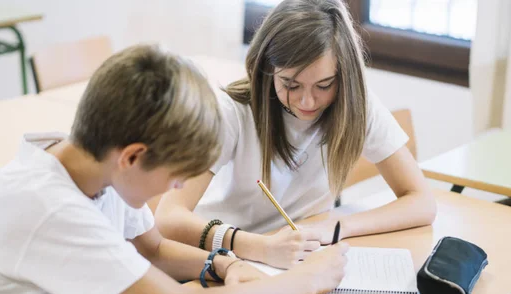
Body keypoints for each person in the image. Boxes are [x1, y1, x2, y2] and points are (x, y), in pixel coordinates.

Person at [0, 45, 348, 294]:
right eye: (175, 174)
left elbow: (153, 248)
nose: (177, 185)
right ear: (132, 157)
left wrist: (227, 264)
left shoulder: (95, 164)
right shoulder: (51, 206)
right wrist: (308, 278)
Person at [155, 0, 436, 269]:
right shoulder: (232, 113)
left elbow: (421, 201)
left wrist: (338, 226)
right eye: (291, 84)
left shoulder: (356, 107)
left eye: (324, 85)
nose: (307, 102)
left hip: (297, 258)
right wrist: (260, 247)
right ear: (267, 69)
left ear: (344, 76)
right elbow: (168, 217)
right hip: (222, 258)